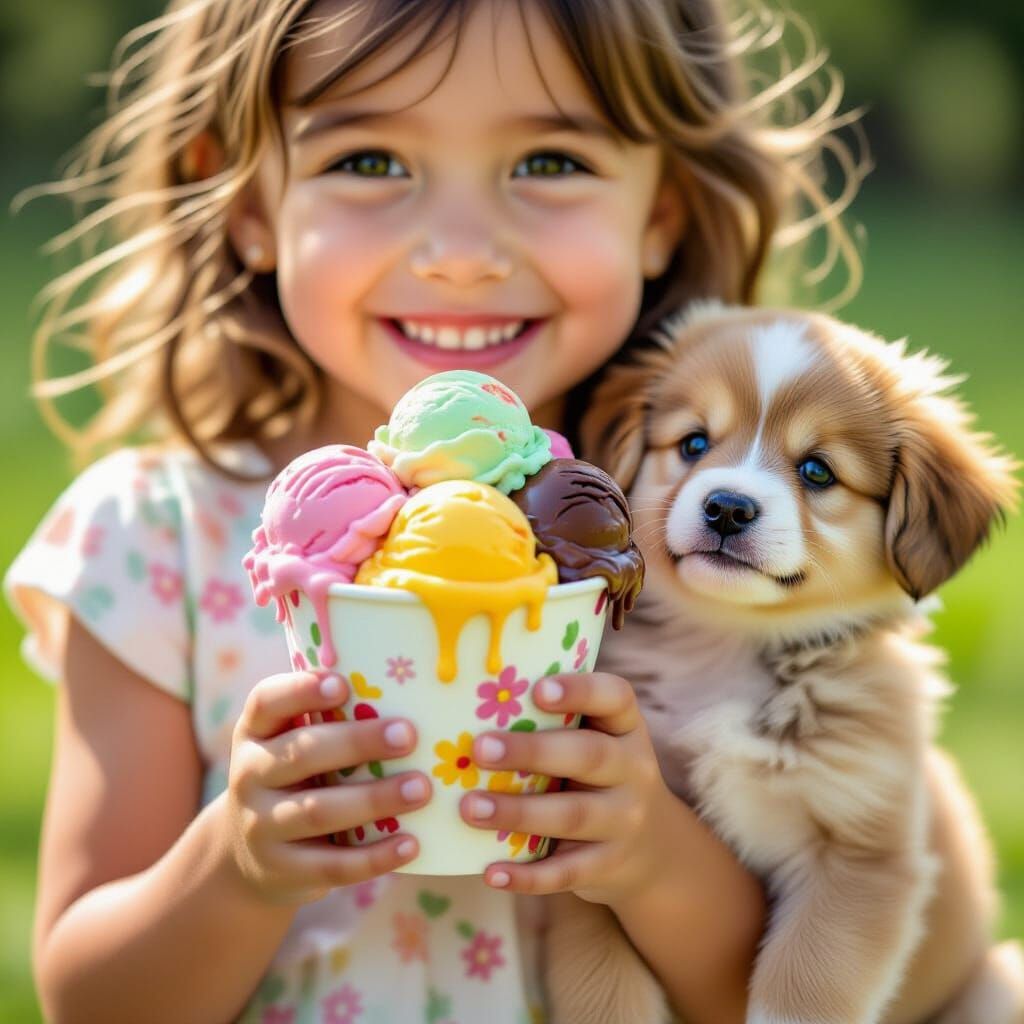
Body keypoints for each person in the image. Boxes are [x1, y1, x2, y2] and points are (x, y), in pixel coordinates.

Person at [5, 0, 863, 1021]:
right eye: (370, 161)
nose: (462, 253)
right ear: (241, 197)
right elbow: (89, 1000)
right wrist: (235, 865)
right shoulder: (155, 540)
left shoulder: (695, 535)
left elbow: (778, 998)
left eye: (548, 162)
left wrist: (653, 859)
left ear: (663, 212)